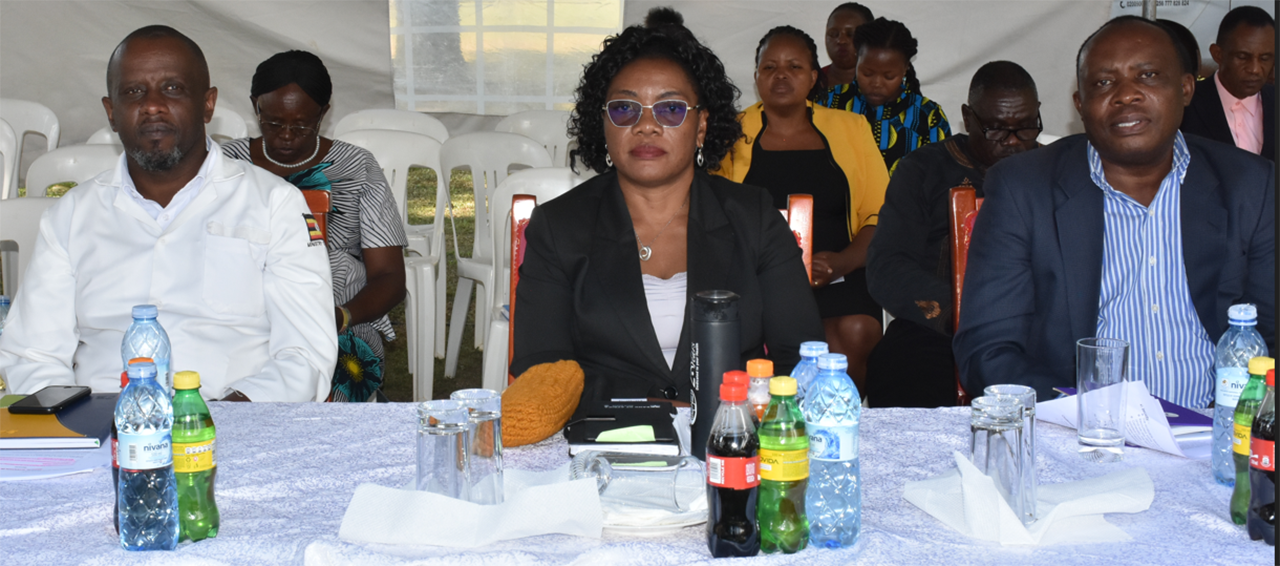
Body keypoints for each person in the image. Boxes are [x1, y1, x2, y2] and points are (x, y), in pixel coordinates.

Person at [0, 26, 337, 402]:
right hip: (100, 423)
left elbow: (305, 355)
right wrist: (77, 422)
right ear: (111, 113)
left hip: (238, 419)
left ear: (208, 104)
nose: (152, 105)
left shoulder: (275, 205)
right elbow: (32, 355)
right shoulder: (71, 216)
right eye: (133, 92)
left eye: (173, 88)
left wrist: (218, 420)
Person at [953, 17, 1275, 407]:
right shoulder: (1023, 190)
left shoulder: (1250, 185)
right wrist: (1089, 412)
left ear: (1186, 88)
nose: (1126, 95)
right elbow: (987, 350)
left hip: (1218, 426)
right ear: (1080, 105)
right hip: (1084, 429)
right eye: (1104, 83)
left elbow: (1271, 335)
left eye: (1148, 75)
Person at [510, 9, 824, 408]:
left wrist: (734, 416)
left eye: (671, 109)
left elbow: (799, 357)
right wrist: (649, 412)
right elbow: (541, 368)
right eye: (625, 109)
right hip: (603, 436)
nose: (646, 125)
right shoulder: (559, 226)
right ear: (603, 124)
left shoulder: (754, 218)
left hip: (730, 432)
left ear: (702, 127)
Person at [222, 51, 407, 403]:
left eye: (302, 125)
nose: (286, 136)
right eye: (273, 123)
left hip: (338, 321)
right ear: (255, 105)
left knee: (331, 383)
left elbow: (390, 278)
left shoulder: (357, 167)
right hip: (239, 320)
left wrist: (339, 317)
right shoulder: (224, 164)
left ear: (323, 113)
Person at [716, 26, 888, 390]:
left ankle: (834, 414)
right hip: (756, 276)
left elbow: (880, 214)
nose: (781, 75)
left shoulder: (852, 128)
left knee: (855, 329)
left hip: (839, 270)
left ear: (812, 77)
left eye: (794, 67)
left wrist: (842, 262)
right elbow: (713, 216)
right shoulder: (729, 133)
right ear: (756, 77)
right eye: (770, 67)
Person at [865, 61, 1041, 408]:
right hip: (941, 326)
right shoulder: (923, 169)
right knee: (897, 371)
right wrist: (960, 311)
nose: (1013, 142)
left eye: (1025, 127)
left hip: (1035, 326)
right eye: (997, 129)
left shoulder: (1054, 170)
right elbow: (887, 265)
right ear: (968, 118)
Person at [820, 17, 951, 174]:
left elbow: (941, 176)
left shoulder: (929, 116)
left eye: (889, 77)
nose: (876, 83)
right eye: (867, 73)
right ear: (857, 59)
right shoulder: (828, 102)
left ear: (905, 69)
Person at [1180, 6, 1274, 161]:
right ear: (1218, 54)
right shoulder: (1184, 106)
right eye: (1242, 57)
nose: (1255, 69)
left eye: (1265, 58)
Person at [821, 3, 874, 90]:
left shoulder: (883, 86)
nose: (841, 41)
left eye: (851, 34)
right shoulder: (809, 83)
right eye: (834, 34)